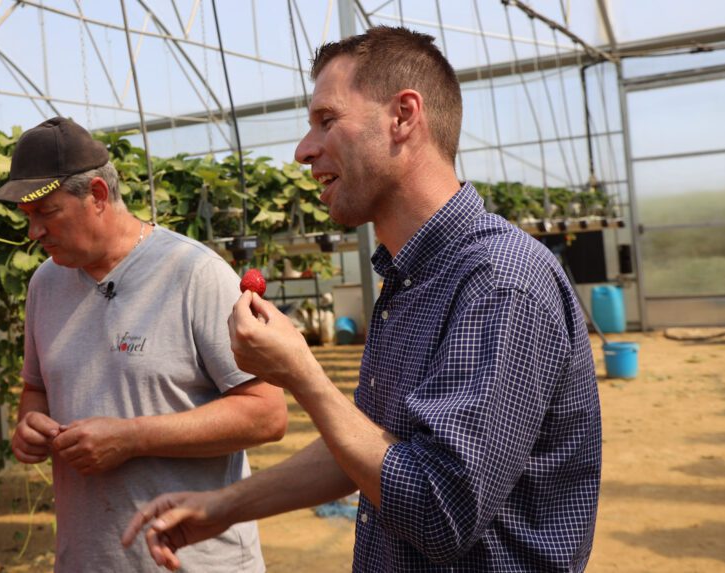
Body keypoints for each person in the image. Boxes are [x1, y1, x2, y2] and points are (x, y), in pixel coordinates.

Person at [123, 26, 602, 572]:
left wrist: (302, 373)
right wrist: (224, 506)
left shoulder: (499, 282)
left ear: (403, 117)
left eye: (327, 120)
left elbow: (438, 511)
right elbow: (370, 447)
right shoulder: (409, 278)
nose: (304, 150)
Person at [0, 117, 287, 572]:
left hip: (191, 561)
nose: (34, 233)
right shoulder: (44, 285)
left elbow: (266, 413)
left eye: (46, 212)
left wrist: (132, 437)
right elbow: (37, 390)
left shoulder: (193, 274)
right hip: (89, 560)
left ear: (98, 196)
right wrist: (30, 424)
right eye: (27, 217)